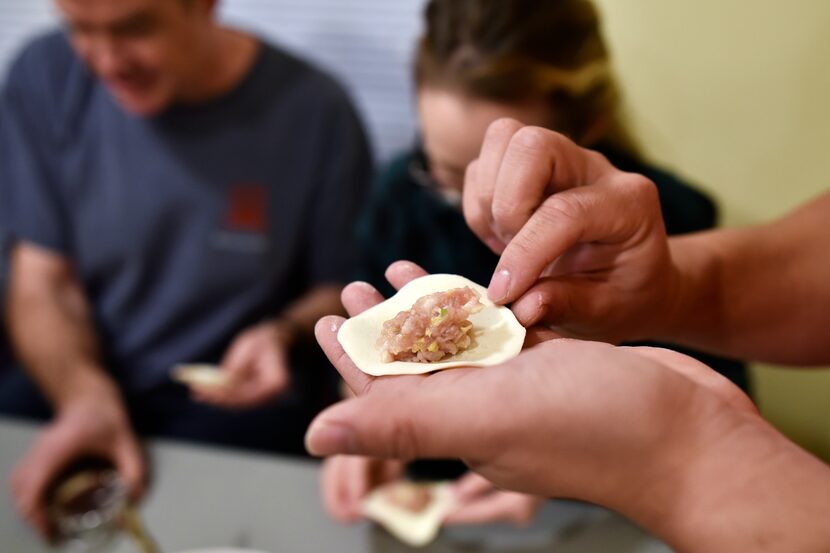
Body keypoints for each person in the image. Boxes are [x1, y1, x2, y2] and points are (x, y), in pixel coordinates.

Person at [305, 122, 830, 552]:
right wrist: (671, 288)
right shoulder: (398, 195)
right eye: (444, 176)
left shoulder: (678, 203)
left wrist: (677, 459)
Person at [323, 0, 744, 528]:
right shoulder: (401, 193)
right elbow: (368, 338)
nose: (470, 209)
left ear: (585, 130)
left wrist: (575, 463)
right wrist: (369, 428)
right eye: (444, 172)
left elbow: (717, 418)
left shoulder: (664, 219)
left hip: (603, 513)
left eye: (495, 181)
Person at [0, 0, 371, 540]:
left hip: (232, 403)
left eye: (134, 28)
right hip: (80, 375)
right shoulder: (44, 76)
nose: (106, 61)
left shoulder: (314, 111)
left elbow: (339, 287)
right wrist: (82, 395)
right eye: (80, 29)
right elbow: (41, 278)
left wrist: (282, 333)